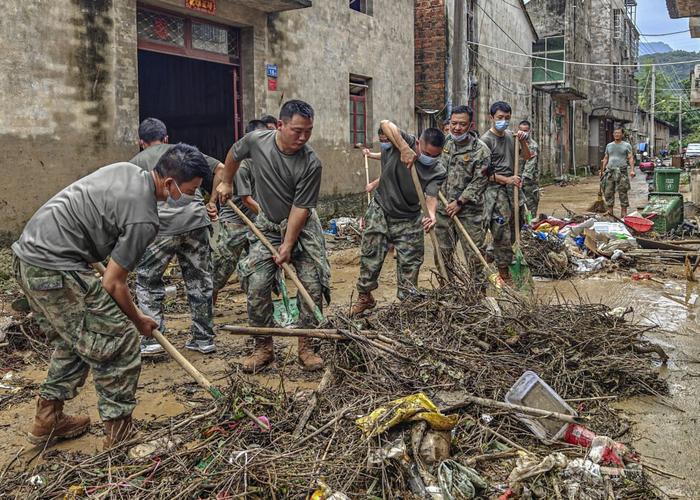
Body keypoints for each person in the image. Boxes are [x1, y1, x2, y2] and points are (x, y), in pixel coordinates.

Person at [12, 144, 210, 449]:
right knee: (119, 341)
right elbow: (113, 284)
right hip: (54, 267)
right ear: (170, 184)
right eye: (192, 189)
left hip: (29, 255)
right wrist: (139, 320)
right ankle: (119, 434)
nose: (195, 196)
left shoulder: (126, 170)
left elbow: (91, 215)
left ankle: (48, 420)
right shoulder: (144, 219)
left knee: (75, 341)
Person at [216, 100, 330, 373]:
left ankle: (307, 346)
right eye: (296, 130)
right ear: (280, 125)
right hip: (267, 224)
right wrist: (227, 181)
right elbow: (234, 152)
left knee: (312, 285)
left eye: (308, 131)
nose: (303, 137)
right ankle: (263, 347)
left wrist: (288, 245)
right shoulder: (257, 141)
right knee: (256, 283)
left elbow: (300, 209)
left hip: (302, 228)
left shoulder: (311, 163)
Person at [130, 118, 223, 356]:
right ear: (166, 138)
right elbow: (220, 168)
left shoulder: (136, 163)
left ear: (141, 142)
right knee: (200, 281)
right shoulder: (182, 154)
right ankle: (204, 339)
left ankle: (152, 341)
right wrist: (212, 201)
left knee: (148, 282)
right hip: (195, 224)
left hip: (159, 230)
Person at [350, 120, 446, 316]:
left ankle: (407, 305)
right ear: (418, 143)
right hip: (382, 208)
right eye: (426, 154)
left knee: (410, 263)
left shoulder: (438, 170)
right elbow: (385, 124)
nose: (429, 159)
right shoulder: (407, 142)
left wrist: (431, 215)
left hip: (409, 218)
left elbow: (431, 196)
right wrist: (403, 148)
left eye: (435, 156)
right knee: (371, 254)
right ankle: (365, 296)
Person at [212, 120, 266, 305]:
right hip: (236, 222)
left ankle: (257, 305)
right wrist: (269, 216)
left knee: (257, 265)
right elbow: (246, 200)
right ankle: (208, 303)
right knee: (223, 266)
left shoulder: (265, 162)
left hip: (255, 220)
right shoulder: (242, 165)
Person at [435, 105, 490, 278]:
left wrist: (460, 202)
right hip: (443, 210)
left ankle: (477, 295)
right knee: (442, 255)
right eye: (454, 123)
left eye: (462, 124)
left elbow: (480, 181)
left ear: (471, 125)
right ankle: (449, 291)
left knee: (474, 256)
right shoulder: (444, 144)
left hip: (469, 212)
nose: (457, 128)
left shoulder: (481, 151)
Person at [480, 101, 532, 282]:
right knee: (502, 231)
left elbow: (526, 156)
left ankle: (489, 255)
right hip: (495, 191)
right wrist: (506, 179)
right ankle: (504, 274)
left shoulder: (512, 136)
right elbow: (483, 173)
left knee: (516, 226)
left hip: (514, 189)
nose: (503, 121)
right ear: (491, 118)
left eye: (507, 118)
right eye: (500, 118)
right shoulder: (485, 141)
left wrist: (523, 141)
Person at [601, 127, 635, 218]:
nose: (617, 134)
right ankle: (610, 212)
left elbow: (630, 158)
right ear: (613, 134)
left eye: (619, 133)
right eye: (615, 133)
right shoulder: (609, 145)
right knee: (608, 192)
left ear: (622, 135)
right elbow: (606, 158)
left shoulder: (626, 145)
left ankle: (623, 214)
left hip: (622, 171)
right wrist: (602, 170)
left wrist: (632, 170)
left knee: (623, 192)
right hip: (610, 171)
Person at [518, 120, 540, 217]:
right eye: (521, 130)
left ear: (529, 131)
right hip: (517, 181)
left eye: (526, 131)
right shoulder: (516, 143)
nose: (524, 133)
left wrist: (522, 180)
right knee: (519, 208)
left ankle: (531, 227)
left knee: (530, 208)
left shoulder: (532, 145)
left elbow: (529, 166)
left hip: (529, 183)